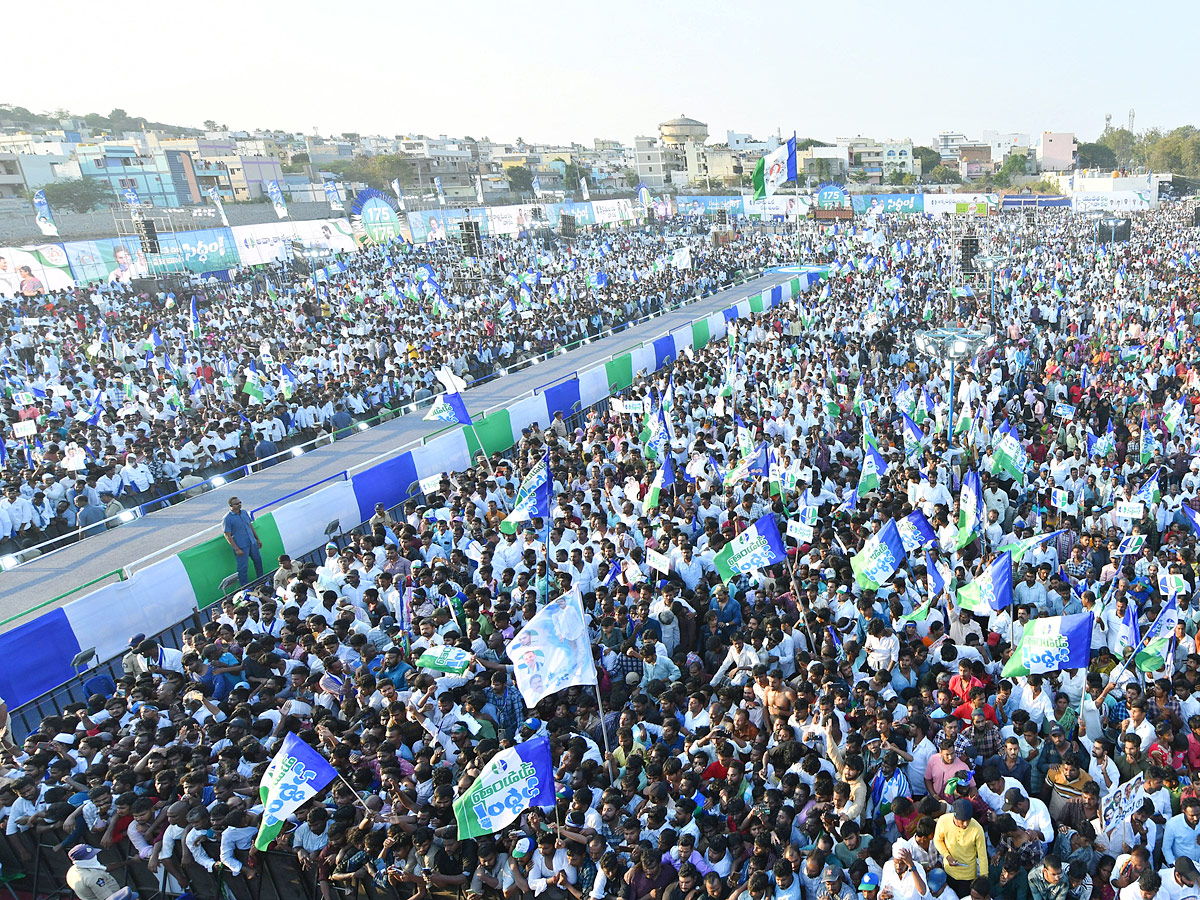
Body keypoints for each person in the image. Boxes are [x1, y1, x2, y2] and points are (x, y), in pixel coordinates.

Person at [934, 798, 988, 894]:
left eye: (968, 820)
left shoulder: (977, 829)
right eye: (962, 821)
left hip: (968, 876)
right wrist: (947, 856)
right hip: (949, 872)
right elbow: (938, 840)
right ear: (954, 816)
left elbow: (982, 856)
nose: (966, 824)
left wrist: (983, 880)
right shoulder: (943, 821)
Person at [65, 844, 135, 899]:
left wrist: (131, 861)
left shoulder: (72, 870)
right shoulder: (92, 877)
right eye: (91, 856)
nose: (94, 857)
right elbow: (109, 898)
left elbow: (105, 867)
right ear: (84, 861)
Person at [222, 495, 263, 586]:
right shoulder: (227, 518)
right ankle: (245, 586)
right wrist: (236, 548)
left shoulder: (244, 512)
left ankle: (262, 580)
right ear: (231, 506)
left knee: (258, 561)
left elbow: (250, 526)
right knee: (243, 568)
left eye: (240, 502)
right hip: (241, 545)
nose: (239, 505)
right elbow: (227, 535)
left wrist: (257, 539)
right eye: (236, 504)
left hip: (252, 542)